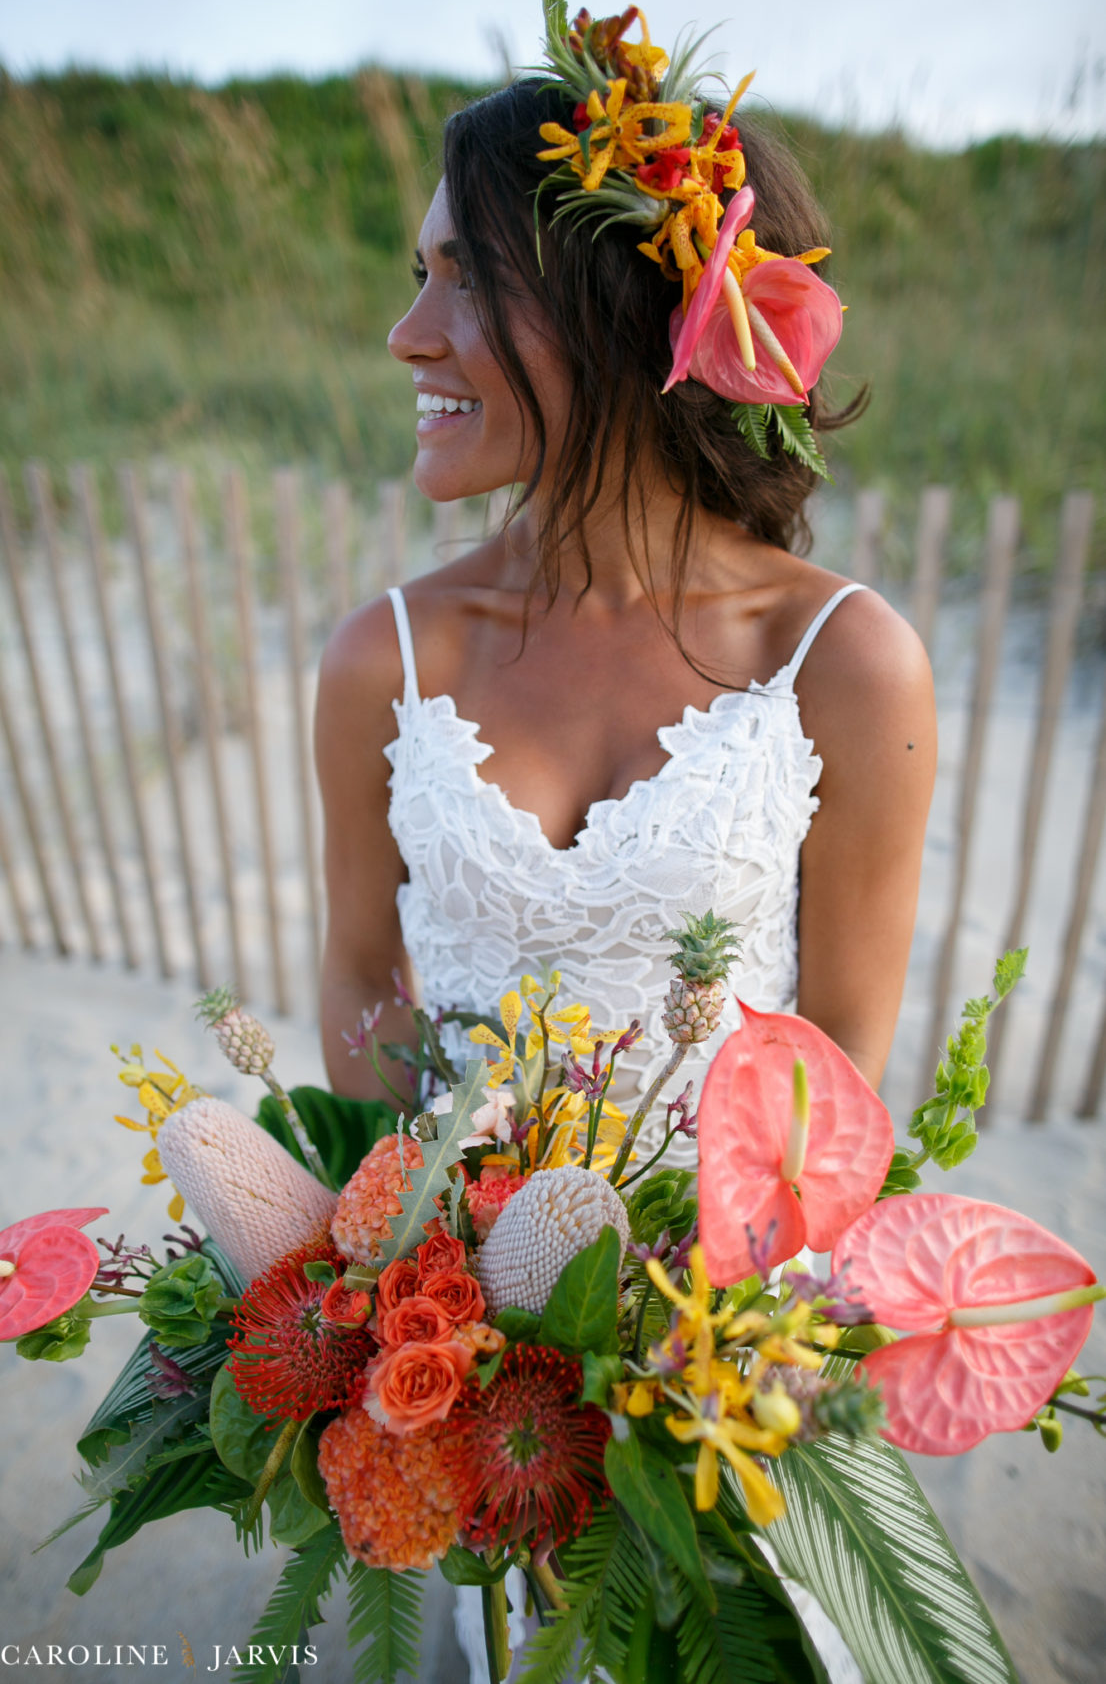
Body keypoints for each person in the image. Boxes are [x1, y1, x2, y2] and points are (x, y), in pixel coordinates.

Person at [315, 63, 936, 1165]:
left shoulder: (841, 663)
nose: (407, 335)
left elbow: (842, 1040)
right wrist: (423, 1250)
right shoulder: (388, 658)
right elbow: (366, 975)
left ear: (621, 311)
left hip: (716, 1298)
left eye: (468, 280)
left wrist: (678, 1309)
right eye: (421, 274)